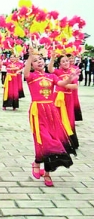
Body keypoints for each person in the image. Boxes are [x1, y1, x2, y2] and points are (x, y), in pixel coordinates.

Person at [24, 48, 77, 187]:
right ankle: (36, 162)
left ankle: (47, 173)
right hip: (37, 111)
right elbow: (25, 72)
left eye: (40, 59)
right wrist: (29, 57)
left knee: (54, 138)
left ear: (44, 61)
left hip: (51, 111)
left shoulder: (51, 76)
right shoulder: (31, 77)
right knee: (44, 140)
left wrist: (70, 79)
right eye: (35, 61)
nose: (38, 62)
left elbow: (61, 84)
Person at [48, 53, 79, 149]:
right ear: (60, 64)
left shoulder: (72, 72)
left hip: (68, 99)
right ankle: (58, 139)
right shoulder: (58, 72)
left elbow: (75, 86)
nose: (66, 63)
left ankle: (69, 140)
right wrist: (52, 59)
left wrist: (63, 84)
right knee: (57, 118)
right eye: (63, 61)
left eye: (67, 61)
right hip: (58, 98)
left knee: (69, 118)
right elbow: (50, 69)